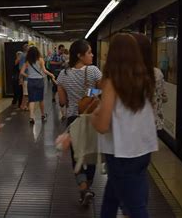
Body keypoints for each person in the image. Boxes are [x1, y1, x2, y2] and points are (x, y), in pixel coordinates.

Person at [91, 33, 158, 218]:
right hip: (143, 150)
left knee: (136, 208)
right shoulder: (145, 78)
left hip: (121, 153)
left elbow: (103, 125)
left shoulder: (112, 82)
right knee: (112, 196)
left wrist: (93, 118)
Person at [57, 39, 102, 206]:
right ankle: (88, 187)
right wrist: (89, 93)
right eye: (89, 52)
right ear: (79, 55)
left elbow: (62, 101)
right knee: (91, 154)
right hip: (92, 117)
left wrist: (73, 95)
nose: (92, 55)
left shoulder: (63, 74)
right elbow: (103, 91)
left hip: (73, 119)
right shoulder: (94, 71)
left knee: (77, 157)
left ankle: (83, 188)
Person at [132, 33, 167, 131]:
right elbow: (164, 98)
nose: (92, 55)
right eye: (90, 52)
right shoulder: (157, 73)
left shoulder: (128, 74)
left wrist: (90, 92)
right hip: (152, 126)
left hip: (133, 129)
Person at [20, 46, 56, 124]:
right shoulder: (40, 60)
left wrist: (28, 75)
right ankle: (43, 115)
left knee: (31, 100)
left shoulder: (27, 61)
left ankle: (31, 117)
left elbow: (21, 72)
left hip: (31, 81)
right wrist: (51, 74)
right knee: (40, 99)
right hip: (39, 81)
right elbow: (44, 70)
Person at [19, 44, 30, 111]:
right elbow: (21, 68)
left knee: (27, 93)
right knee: (25, 94)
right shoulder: (24, 56)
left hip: (27, 77)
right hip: (25, 77)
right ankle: (23, 105)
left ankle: (25, 105)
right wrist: (21, 78)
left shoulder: (26, 56)